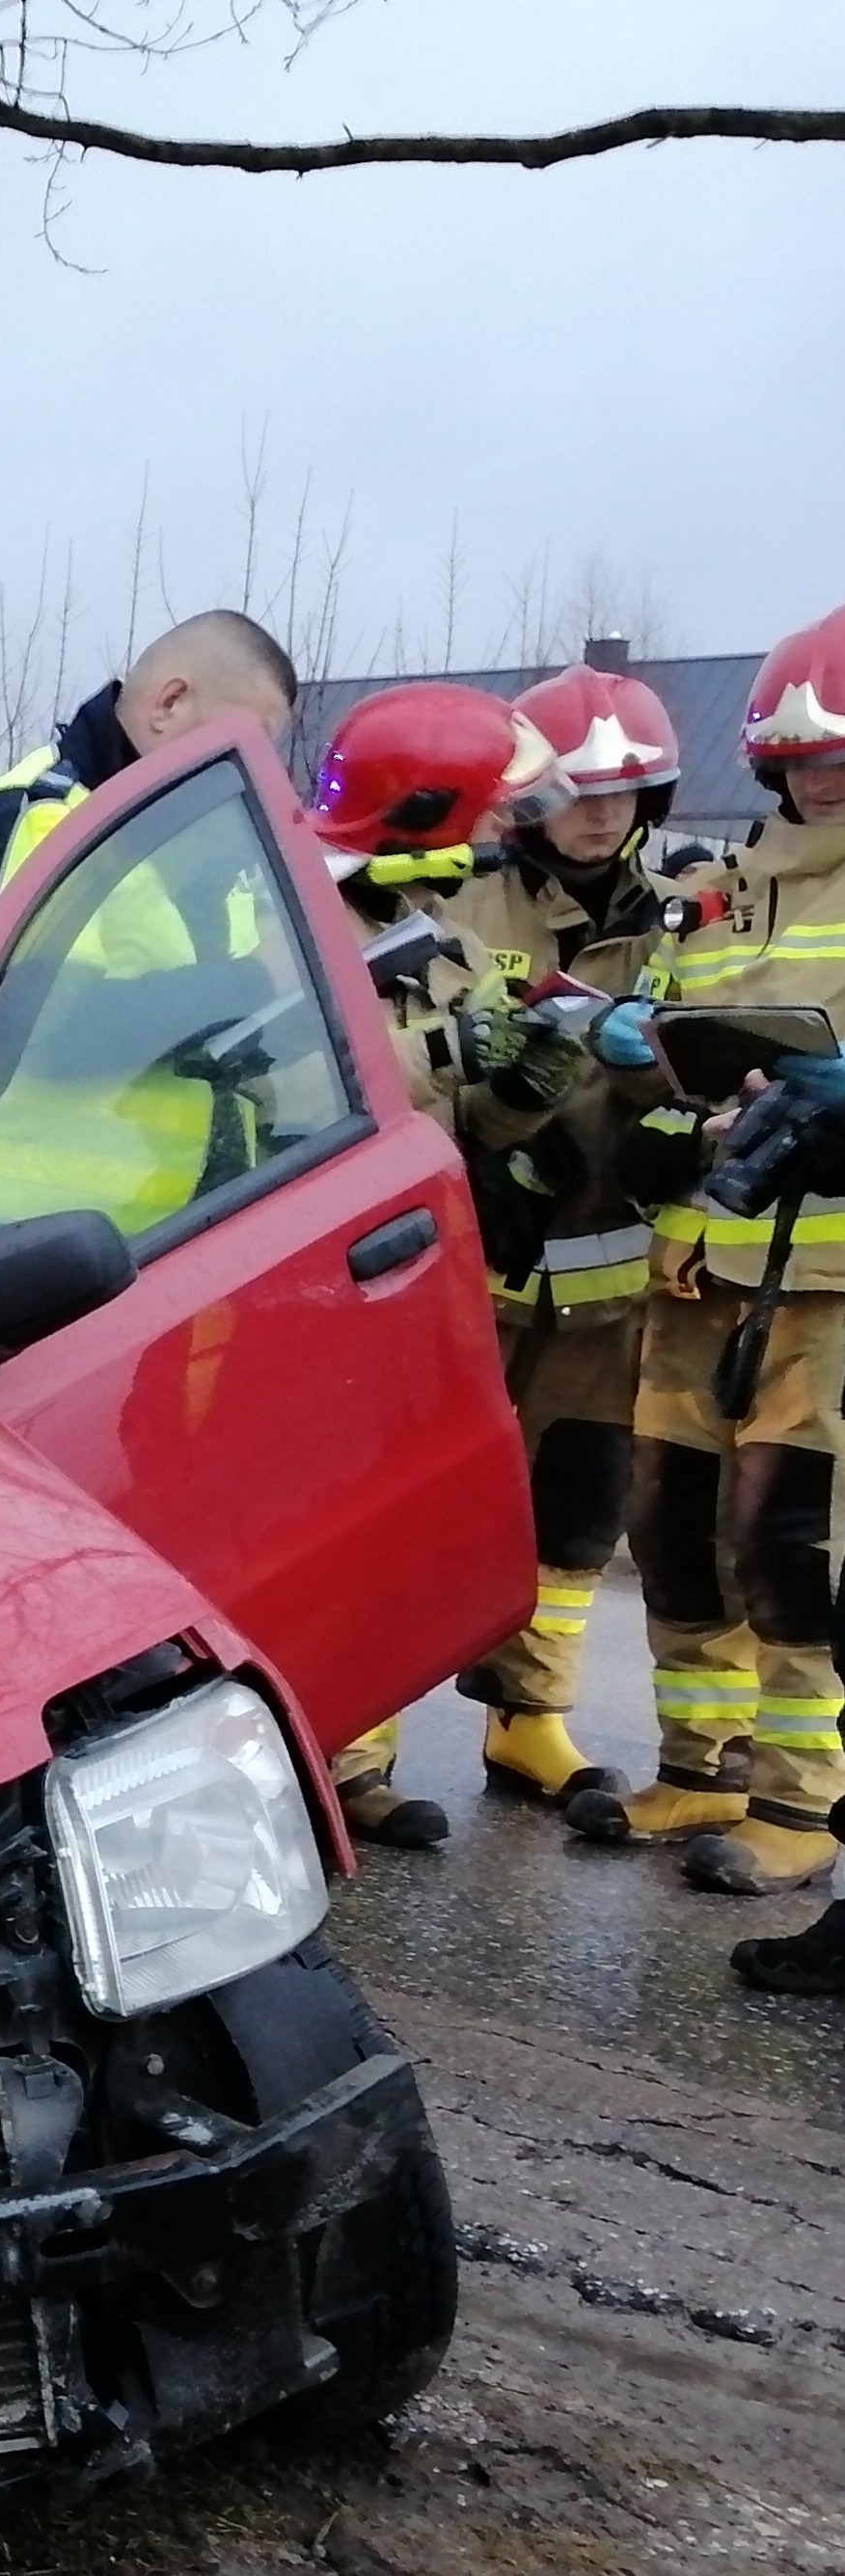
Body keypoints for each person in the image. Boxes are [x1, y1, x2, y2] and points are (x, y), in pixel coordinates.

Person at [304, 684, 592, 1850]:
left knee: (382, 1525)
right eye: (484, 812)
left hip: (408, 1270)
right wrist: (442, 1044)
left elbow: (469, 1117)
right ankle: (310, 1756)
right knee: (314, 1522)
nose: (497, 836)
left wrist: (525, 1086)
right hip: (304, 1279)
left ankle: (354, 1758)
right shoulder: (287, 925)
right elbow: (299, 1080)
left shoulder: (446, 936)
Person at [595, 605, 845, 1902]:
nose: (819, 779)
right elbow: (676, 1049)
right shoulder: (719, 890)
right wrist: (646, 1088)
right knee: (669, 1521)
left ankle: (800, 1799)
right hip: (695, 1258)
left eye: (837, 756)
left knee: (785, 1535)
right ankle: (701, 1762)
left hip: (823, 1281)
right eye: (798, 757)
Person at [441, 664, 684, 1810]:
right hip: (468, 1256)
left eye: (621, 791)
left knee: (577, 1506)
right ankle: (355, 1748)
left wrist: (660, 1097)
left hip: (604, 1269)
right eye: (578, 790)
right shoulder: (461, 907)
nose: (598, 812)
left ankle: (527, 1720)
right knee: (422, 1494)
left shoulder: (683, 919)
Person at [0, 610, 303, 1024]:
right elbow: (45, 1031)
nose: (254, 767)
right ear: (169, 704)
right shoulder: (18, 821)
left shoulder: (191, 843)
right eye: (245, 740)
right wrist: (259, 979)